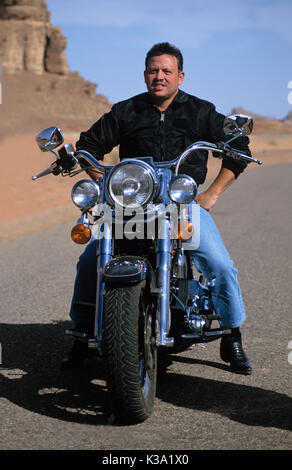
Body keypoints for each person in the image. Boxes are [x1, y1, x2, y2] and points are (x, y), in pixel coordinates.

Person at [61, 42, 252, 375]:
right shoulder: (126, 111)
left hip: (182, 205)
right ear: (145, 74)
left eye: (166, 71)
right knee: (90, 260)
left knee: (219, 264)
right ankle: (82, 333)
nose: (159, 76)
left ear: (180, 75)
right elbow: (87, 146)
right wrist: (106, 179)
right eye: (153, 70)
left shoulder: (201, 111)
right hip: (132, 206)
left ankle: (232, 334)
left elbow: (239, 148)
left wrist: (212, 195)